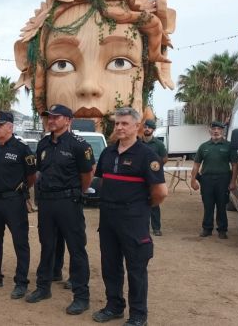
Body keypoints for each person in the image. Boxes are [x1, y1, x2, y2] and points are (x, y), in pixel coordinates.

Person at [13, 0, 176, 133]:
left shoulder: (145, 156)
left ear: (149, 72)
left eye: (120, 62)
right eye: (62, 64)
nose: (88, 86)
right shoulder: (44, 152)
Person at [92, 107, 167, 326]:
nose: (119, 127)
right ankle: (114, 306)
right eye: (117, 123)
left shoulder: (147, 156)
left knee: (136, 269)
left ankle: (138, 315)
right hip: (108, 219)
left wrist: (141, 207)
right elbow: (102, 181)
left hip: (133, 220)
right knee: (110, 266)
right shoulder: (108, 153)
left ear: (137, 126)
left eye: (125, 123)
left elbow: (160, 192)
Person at [25, 104, 94, 318]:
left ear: (68, 120)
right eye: (49, 117)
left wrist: (76, 192)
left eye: (56, 117)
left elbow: (87, 174)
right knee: (47, 245)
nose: (51, 120)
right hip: (47, 202)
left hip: (68, 202)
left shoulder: (79, 145)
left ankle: (81, 296)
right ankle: (43, 287)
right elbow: (39, 172)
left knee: (76, 248)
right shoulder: (44, 143)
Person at [0, 111, 36, 300]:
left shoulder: (21, 148)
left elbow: (31, 177)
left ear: (10, 127)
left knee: (20, 242)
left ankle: (21, 282)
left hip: (13, 201)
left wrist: (19, 190)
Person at [190, 121, 238, 239]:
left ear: (222, 131)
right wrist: (193, 180)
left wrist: (233, 182)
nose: (216, 131)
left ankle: (222, 230)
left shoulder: (229, 146)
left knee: (222, 205)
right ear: (210, 131)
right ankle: (207, 228)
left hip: (223, 180)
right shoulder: (204, 147)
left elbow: (235, 166)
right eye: (214, 129)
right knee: (208, 205)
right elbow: (196, 165)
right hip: (207, 180)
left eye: (218, 129)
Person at [142, 119, 168, 236]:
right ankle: (143, 228)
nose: (147, 129)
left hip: (154, 178)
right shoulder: (138, 143)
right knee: (141, 203)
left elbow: (164, 158)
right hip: (140, 178)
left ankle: (156, 228)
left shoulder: (159, 144)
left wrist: (156, 168)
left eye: (150, 127)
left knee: (155, 203)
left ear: (153, 130)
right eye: (145, 127)